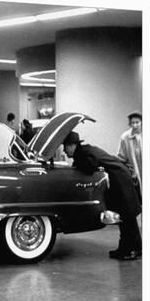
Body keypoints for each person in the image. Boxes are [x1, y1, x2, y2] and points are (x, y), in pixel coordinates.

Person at [63, 131, 141, 261]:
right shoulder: (84, 151)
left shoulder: (83, 153)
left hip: (120, 178)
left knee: (127, 216)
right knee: (123, 216)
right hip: (117, 178)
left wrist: (76, 166)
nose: (64, 151)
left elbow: (90, 166)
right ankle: (125, 248)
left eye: (65, 147)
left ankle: (134, 249)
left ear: (72, 145)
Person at [117, 111, 142, 197]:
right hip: (135, 174)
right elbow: (121, 158)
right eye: (132, 123)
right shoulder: (125, 137)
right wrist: (130, 171)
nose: (135, 125)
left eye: (137, 122)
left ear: (141, 122)